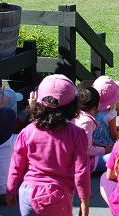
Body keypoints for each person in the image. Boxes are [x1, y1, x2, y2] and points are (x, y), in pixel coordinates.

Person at [6, 74, 91, 216]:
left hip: (27, 193)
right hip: (56, 196)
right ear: (72, 105)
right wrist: (84, 200)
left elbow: (16, 164)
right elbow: (81, 171)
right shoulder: (76, 134)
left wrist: (10, 189)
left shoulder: (27, 131)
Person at [73, 87, 112, 173]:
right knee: (115, 157)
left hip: (74, 159)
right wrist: (105, 150)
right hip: (84, 163)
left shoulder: (76, 115)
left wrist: (101, 146)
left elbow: (86, 141)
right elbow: (87, 149)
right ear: (95, 106)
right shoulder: (87, 122)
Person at [92, 75, 119, 146]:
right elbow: (114, 135)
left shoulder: (90, 109)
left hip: (92, 142)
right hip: (107, 145)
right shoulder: (111, 113)